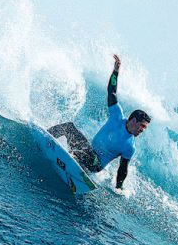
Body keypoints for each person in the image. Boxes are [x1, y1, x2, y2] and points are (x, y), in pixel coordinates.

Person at [48, 54, 150, 190]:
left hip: (95, 164)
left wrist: (119, 187)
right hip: (88, 151)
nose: (142, 130)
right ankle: (46, 136)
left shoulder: (129, 147)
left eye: (145, 128)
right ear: (133, 120)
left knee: (85, 152)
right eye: (142, 126)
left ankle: (72, 159)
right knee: (68, 127)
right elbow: (111, 92)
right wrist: (116, 71)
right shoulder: (117, 116)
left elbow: (122, 169)